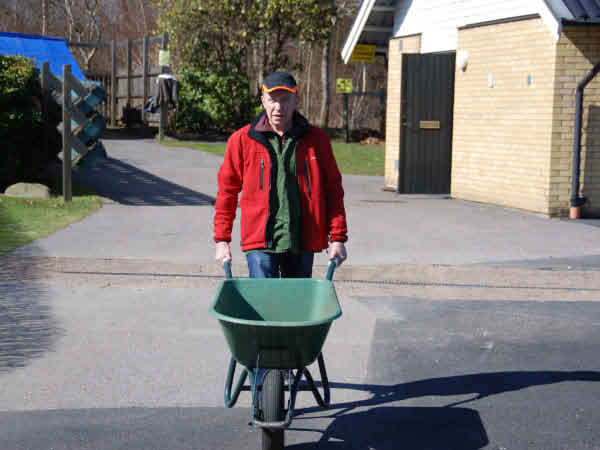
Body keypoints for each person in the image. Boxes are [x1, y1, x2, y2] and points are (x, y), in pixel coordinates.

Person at [213, 71, 348, 278]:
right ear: (263, 101)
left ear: (296, 101)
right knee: (263, 298)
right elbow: (227, 193)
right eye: (272, 100)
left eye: (285, 100)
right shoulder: (242, 140)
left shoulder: (317, 140)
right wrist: (222, 240)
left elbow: (333, 190)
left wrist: (337, 238)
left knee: (295, 299)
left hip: (302, 241)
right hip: (260, 243)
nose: (278, 107)